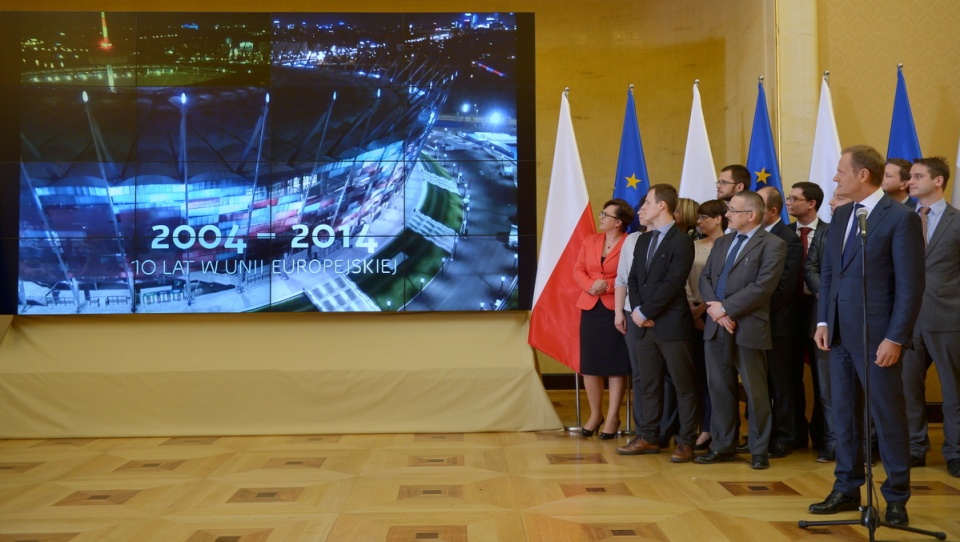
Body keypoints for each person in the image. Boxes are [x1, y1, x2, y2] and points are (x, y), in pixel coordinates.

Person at [809, 145, 924, 526]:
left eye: (841, 171)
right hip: (838, 334)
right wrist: (824, 321)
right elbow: (829, 275)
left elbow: (910, 286)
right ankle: (846, 487)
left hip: (878, 338)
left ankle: (895, 496)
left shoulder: (900, 218)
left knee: (887, 416)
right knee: (843, 414)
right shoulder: (841, 215)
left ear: (863, 175)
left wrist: (896, 337)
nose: (835, 178)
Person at [695, 190, 786, 470]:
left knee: (755, 391)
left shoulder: (773, 244)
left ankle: (759, 448)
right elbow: (707, 278)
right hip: (716, 326)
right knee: (719, 388)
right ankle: (723, 445)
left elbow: (762, 287)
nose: (727, 215)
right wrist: (716, 310)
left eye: (732, 211)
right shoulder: (722, 243)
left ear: (751, 215)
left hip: (748, 327)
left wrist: (726, 309)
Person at [616, 184, 699, 463]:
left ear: (662, 205)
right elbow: (634, 279)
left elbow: (673, 283)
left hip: (672, 325)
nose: (642, 209)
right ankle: (648, 436)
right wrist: (638, 310)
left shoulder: (682, 241)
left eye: (647, 203)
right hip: (644, 323)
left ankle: (686, 440)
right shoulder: (641, 240)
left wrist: (645, 311)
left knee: (683, 384)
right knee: (647, 384)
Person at [901, 156, 960, 478]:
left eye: (918, 176)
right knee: (908, 388)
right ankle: (914, 448)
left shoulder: (957, 220)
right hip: (907, 320)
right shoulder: (903, 220)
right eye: (910, 176)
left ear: (938, 181)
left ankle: (955, 452)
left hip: (948, 317)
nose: (910, 181)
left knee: (953, 391)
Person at [574, 198, 635, 439]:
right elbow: (577, 270)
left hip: (616, 307)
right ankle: (595, 414)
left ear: (618, 222)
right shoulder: (591, 240)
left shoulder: (630, 242)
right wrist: (591, 286)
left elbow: (632, 274)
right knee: (590, 365)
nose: (600, 218)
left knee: (615, 365)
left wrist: (606, 286)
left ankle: (612, 417)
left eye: (605, 215)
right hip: (590, 307)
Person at [786, 181, 834, 462]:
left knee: (823, 378)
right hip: (789, 310)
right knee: (789, 376)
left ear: (812, 203)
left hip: (820, 309)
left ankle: (825, 437)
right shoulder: (784, 234)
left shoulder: (829, 232)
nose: (789, 203)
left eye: (794, 199)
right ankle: (793, 433)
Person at [757, 186, 803, 458]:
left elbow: (784, 286)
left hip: (780, 323)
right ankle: (767, 433)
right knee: (764, 383)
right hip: (757, 322)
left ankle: (787, 436)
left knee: (783, 382)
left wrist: (753, 308)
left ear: (772, 211)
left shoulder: (788, 238)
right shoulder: (753, 237)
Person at [686, 199, 728, 450]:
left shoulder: (730, 245)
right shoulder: (692, 247)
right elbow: (686, 282)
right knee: (697, 377)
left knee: (718, 378)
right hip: (692, 318)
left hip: (719, 317)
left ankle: (713, 428)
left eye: (704, 217)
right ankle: (698, 425)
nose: (698, 221)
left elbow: (726, 284)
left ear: (718, 219)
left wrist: (704, 310)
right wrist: (694, 312)